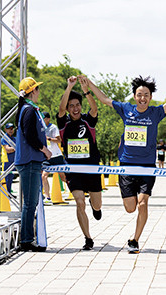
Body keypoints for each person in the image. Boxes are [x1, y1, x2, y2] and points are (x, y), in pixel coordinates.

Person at [86, 68, 166, 253]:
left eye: (146, 95)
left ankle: (135, 240)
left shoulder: (156, 112)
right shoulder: (126, 109)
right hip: (126, 167)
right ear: (134, 96)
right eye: (139, 95)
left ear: (150, 96)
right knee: (130, 208)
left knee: (143, 203)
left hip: (147, 167)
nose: (142, 98)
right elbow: (104, 99)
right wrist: (89, 83)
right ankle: (130, 228)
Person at [56, 75, 103, 251]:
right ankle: (88, 238)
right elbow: (60, 110)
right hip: (73, 170)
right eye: (71, 106)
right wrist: (69, 87)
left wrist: (86, 90)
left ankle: (95, 206)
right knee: (79, 202)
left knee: (96, 205)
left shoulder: (87, 120)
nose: (75, 108)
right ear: (68, 108)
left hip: (91, 168)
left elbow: (95, 107)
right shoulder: (63, 123)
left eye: (77, 105)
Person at [15, 77, 51, 252]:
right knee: (29, 203)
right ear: (32, 91)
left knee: (30, 203)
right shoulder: (28, 110)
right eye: (37, 89)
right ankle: (27, 240)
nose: (39, 92)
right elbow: (29, 135)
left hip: (31, 160)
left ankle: (28, 238)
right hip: (29, 160)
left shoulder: (28, 109)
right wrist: (45, 149)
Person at [41, 111, 66, 202]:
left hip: (56, 155)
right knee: (44, 176)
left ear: (48, 119)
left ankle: (76, 191)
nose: (42, 120)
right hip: (47, 156)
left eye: (44, 118)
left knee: (63, 177)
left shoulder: (53, 127)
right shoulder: (40, 127)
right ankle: (47, 197)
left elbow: (59, 140)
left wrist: (49, 139)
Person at [1, 123, 16, 194]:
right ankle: (5, 193)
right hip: (6, 160)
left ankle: (8, 193)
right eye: (9, 128)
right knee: (6, 178)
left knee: (10, 178)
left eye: (12, 128)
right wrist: (16, 148)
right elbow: (8, 149)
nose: (11, 130)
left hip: (13, 160)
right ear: (5, 129)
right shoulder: (4, 138)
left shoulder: (14, 138)